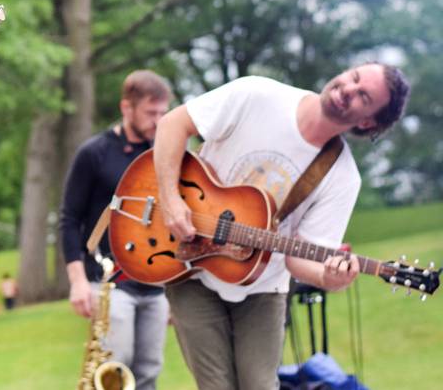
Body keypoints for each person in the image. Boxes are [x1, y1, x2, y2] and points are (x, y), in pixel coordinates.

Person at [154, 63, 410, 390]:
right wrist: (171, 200)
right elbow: (173, 124)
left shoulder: (342, 177)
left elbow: (298, 258)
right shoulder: (257, 95)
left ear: (368, 121)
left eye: (363, 95)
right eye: (354, 77)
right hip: (190, 264)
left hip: (262, 286)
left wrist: (327, 277)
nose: (349, 88)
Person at [61, 70, 173, 390]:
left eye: (163, 113)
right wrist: (77, 282)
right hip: (109, 284)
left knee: (149, 372)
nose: (158, 120)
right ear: (127, 108)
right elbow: (69, 219)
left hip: (156, 286)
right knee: (114, 371)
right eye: (151, 113)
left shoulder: (163, 152)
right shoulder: (94, 152)